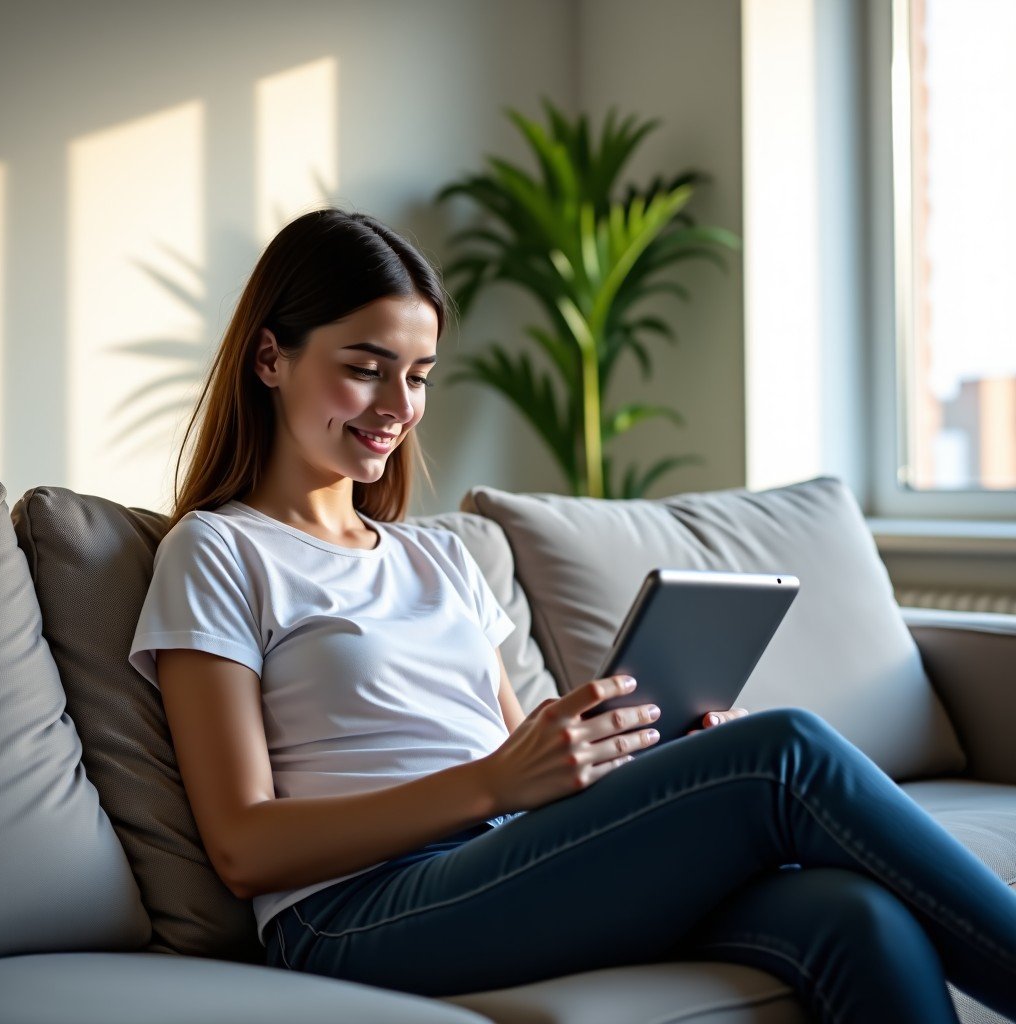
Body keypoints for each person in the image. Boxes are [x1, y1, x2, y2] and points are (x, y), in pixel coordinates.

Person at [129, 207, 1016, 1023]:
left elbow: (523, 767)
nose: (399, 407)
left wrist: (651, 757)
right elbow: (242, 845)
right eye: (364, 370)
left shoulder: (434, 555)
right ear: (270, 358)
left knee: (851, 913)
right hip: (348, 913)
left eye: (419, 376)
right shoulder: (217, 551)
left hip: (496, 863)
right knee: (782, 752)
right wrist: (493, 787)